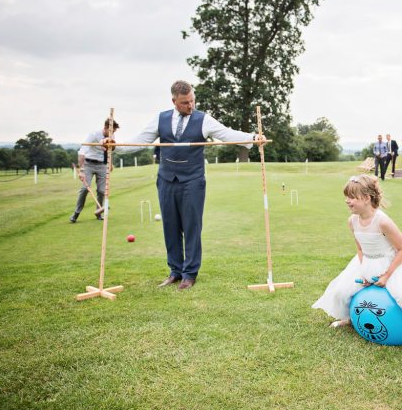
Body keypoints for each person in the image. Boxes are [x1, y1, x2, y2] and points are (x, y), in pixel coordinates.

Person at [118, 80, 265, 290]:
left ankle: (190, 274)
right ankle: (175, 272)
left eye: (192, 100)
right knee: (170, 226)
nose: (191, 105)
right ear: (174, 101)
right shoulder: (160, 119)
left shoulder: (203, 119)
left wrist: (253, 137)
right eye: (185, 102)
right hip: (166, 179)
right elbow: (140, 140)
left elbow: (227, 133)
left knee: (192, 227)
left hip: (193, 180)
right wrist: (115, 146)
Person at [312, 175, 402, 361]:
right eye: (346, 196)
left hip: (394, 263)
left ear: (367, 198)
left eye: (352, 196)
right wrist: (364, 270)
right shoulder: (352, 221)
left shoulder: (382, 221)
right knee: (341, 291)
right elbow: (360, 247)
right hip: (367, 262)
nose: (347, 200)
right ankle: (351, 319)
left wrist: (387, 275)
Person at [70, 118, 119, 223]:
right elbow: (82, 152)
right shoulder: (93, 134)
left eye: (114, 132)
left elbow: (110, 150)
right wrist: (82, 170)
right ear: (105, 128)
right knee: (84, 189)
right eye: (112, 131)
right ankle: (76, 214)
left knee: (102, 191)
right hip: (88, 164)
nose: (113, 134)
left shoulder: (111, 136)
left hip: (102, 165)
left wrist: (110, 163)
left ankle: (99, 213)